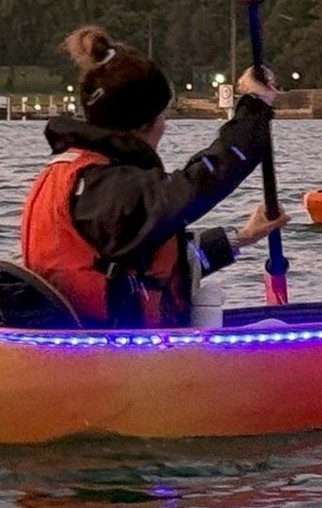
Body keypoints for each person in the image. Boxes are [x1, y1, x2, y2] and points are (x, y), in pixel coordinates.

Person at [19, 25, 289, 328]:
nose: (165, 125)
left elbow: (153, 261)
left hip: (99, 346)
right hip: (120, 356)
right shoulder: (107, 188)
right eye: (163, 116)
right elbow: (202, 182)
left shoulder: (76, 176)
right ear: (145, 124)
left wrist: (242, 238)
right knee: (278, 330)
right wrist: (255, 106)